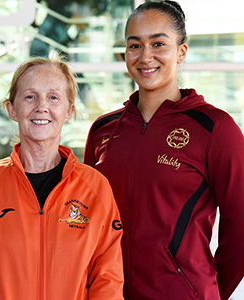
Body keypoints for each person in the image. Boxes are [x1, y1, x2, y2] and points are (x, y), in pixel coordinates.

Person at [84, 1, 244, 300]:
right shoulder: (103, 130)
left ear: (181, 52)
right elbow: (88, 221)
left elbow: (241, 228)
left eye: (159, 43)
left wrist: (204, 292)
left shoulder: (214, 128)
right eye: (135, 45)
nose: (146, 56)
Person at [0, 56, 124, 299]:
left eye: (53, 97)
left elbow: (108, 278)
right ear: (11, 109)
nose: (41, 106)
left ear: (69, 111)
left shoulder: (95, 187)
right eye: (30, 97)